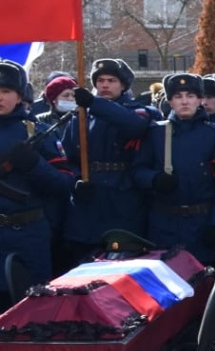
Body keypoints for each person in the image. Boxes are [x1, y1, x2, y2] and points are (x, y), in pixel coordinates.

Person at [130, 73, 215, 267]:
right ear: (169, 101)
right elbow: (137, 171)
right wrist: (154, 179)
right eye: (178, 97)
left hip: (201, 223)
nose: (184, 101)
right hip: (164, 225)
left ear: (200, 99)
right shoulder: (156, 133)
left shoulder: (214, 135)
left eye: (190, 96)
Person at [62, 58, 159, 259]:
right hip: (90, 198)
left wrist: (94, 103)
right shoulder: (81, 116)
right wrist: (77, 180)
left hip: (123, 196)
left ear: (123, 85)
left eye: (111, 80)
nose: (105, 85)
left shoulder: (138, 110)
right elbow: (69, 156)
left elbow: (135, 126)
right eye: (100, 81)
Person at [0, 61, 73, 306]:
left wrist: (34, 165)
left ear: (19, 96)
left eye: (6, 91)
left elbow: (64, 185)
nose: (0, 97)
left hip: (28, 235)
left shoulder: (36, 131)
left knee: (33, 308)